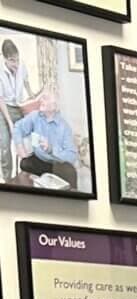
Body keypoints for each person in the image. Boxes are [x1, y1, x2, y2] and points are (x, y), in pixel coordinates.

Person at [13, 87, 79, 190]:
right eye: (42, 97)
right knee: (24, 164)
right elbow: (18, 127)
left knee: (69, 173)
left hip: (57, 165)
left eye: (46, 98)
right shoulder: (35, 116)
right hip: (38, 161)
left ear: (55, 106)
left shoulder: (64, 127)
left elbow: (72, 156)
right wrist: (20, 147)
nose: (41, 100)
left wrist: (51, 149)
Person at [0, 38, 36, 182]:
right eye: (12, 60)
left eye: (17, 59)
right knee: (5, 145)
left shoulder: (22, 65)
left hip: (19, 106)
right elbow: (0, 100)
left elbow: (26, 80)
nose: (16, 64)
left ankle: (25, 175)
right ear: (4, 58)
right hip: (4, 110)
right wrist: (9, 122)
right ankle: (7, 180)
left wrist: (31, 94)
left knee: (25, 142)